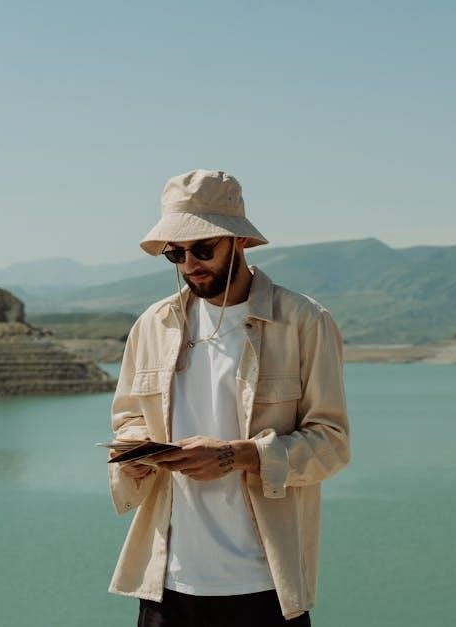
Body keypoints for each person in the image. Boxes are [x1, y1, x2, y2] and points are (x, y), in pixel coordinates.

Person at [107, 169, 350, 626]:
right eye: (176, 253)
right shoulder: (152, 326)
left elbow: (332, 444)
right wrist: (136, 453)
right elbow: (128, 420)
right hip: (166, 587)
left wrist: (236, 455)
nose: (189, 264)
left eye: (203, 249)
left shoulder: (303, 322)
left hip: (263, 588)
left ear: (238, 241)